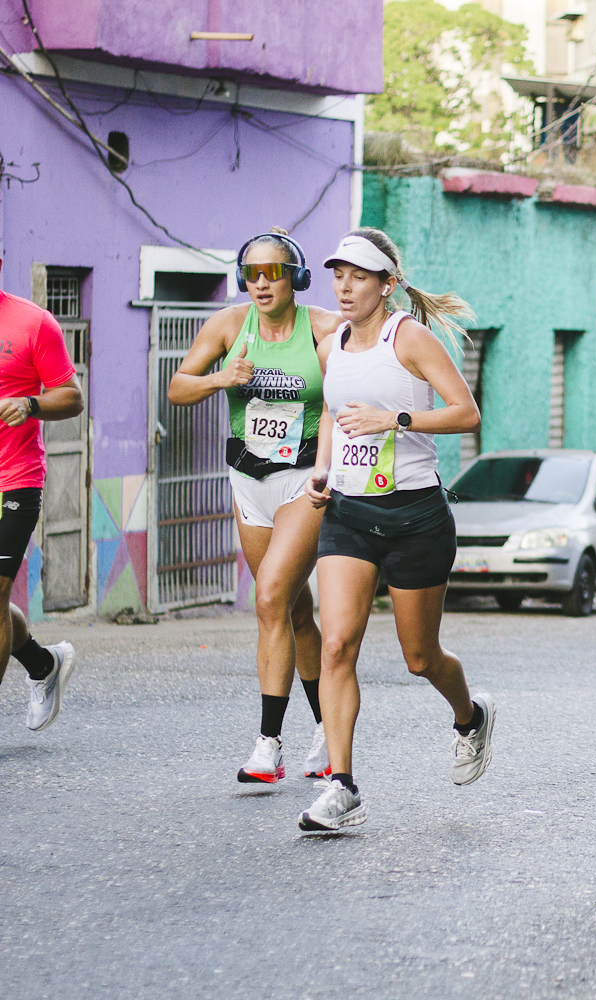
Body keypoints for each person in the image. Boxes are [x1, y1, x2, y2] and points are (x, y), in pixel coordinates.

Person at [298, 228, 492, 831]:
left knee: (419, 657)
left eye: (359, 276)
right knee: (337, 644)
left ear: (386, 284)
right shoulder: (331, 344)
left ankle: (470, 716)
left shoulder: (410, 338)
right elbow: (333, 416)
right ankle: (341, 785)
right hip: (349, 515)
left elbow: (466, 412)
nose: (345, 286)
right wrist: (322, 468)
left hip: (415, 517)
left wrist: (396, 419)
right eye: (339, 275)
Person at [168, 229, 341, 783]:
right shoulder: (227, 326)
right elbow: (178, 386)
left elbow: (365, 372)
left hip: (303, 480)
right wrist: (224, 377)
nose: (262, 283)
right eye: (253, 273)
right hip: (248, 480)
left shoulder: (322, 329)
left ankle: (268, 744)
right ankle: (329, 731)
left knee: (268, 596)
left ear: (296, 276)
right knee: (292, 610)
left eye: (274, 272)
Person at [0, 254, 83, 731]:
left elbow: (70, 397)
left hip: (14, 479)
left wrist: (30, 404)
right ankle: (41, 663)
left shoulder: (34, 323)